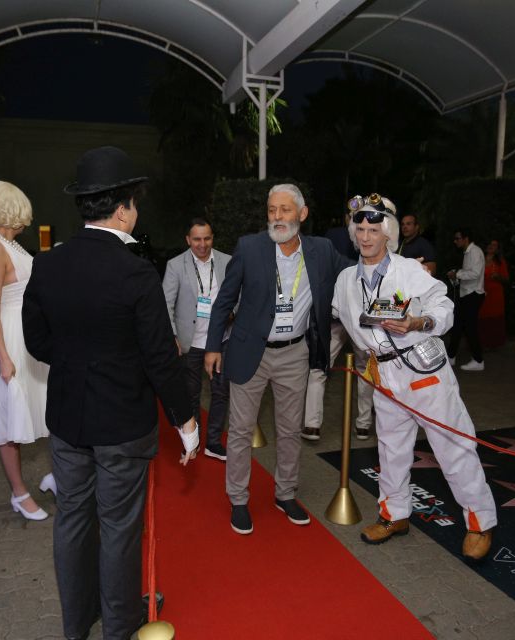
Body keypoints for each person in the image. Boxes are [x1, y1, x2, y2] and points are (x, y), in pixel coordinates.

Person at [22, 146, 198, 640]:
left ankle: (76, 624)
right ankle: (119, 626)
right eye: (134, 204)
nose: (136, 212)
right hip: (121, 423)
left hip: (68, 419)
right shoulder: (136, 272)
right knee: (119, 526)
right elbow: (160, 357)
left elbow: (37, 341)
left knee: (73, 518)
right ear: (122, 209)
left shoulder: (48, 264)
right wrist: (186, 422)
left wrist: (78, 363)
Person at [331, 196, 496, 561]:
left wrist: (418, 322)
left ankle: (480, 522)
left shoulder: (408, 270)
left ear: (387, 233)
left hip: (424, 372)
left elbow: (445, 307)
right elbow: (337, 321)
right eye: (360, 229)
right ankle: (394, 515)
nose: (366, 237)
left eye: (373, 230)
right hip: (383, 375)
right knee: (391, 450)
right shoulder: (345, 280)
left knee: (453, 447)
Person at [204, 183, 352, 535]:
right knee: (240, 430)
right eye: (272, 210)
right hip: (250, 351)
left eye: (285, 209)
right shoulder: (250, 247)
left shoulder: (321, 250)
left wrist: (400, 268)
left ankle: (285, 494)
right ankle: (238, 499)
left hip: (295, 353)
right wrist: (212, 346)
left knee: (289, 430)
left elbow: (356, 271)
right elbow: (224, 300)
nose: (277, 217)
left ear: (302, 213)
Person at [0, 180, 54, 522]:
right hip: (6, 338)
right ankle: (19, 494)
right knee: (10, 420)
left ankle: (57, 476)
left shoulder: (12, 244)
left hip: (28, 337)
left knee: (48, 409)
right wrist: (4, 357)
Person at [162, 218, 232, 460]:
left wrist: (233, 314)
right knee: (191, 394)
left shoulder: (227, 262)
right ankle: (192, 440)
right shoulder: (175, 265)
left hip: (220, 340)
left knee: (221, 393)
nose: (202, 244)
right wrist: (172, 335)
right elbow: (166, 304)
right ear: (188, 240)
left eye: (207, 238)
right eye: (197, 239)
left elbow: (238, 297)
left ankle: (213, 442)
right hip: (189, 341)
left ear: (213, 238)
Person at [304, 207, 376, 441]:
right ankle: (314, 424)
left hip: (360, 317)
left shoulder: (371, 238)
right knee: (321, 365)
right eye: (353, 216)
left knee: (362, 368)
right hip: (336, 315)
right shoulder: (333, 238)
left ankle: (360, 423)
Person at [446, 227, 486, 371]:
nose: (455, 241)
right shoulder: (468, 252)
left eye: (458, 238)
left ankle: (478, 360)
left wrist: (457, 274)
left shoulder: (475, 251)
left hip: (473, 294)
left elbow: (475, 273)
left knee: (469, 328)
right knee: (457, 325)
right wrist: (456, 276)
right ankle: (451, 356)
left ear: (466, 238)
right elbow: (469, 274)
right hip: (467, 294)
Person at [479, 239, 510, 349]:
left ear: (497, 249)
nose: (491, 246)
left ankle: (494, 344)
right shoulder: (479, 259)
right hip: (481, 292)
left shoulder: (500, 261)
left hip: (495, 294)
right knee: (481, 316)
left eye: (494, 245)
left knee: (495, 317)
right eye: (490, 244)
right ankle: (481, 343)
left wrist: (498, 277)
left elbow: (506, 279)